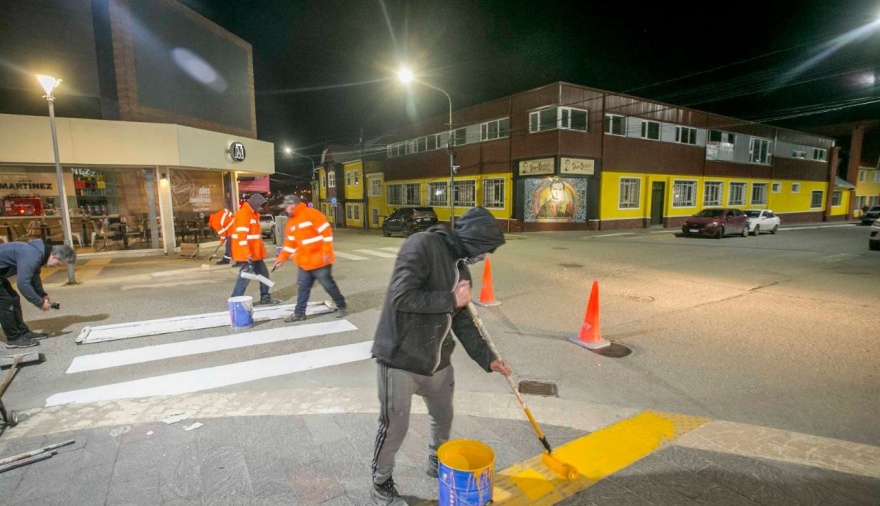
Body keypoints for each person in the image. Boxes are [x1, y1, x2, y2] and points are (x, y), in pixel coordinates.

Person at [369, 206, 511, 505]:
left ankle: (438, 462)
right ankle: (381, 483)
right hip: (400, 358)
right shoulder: (421, 244)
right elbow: (400, 295)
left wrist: (488, 358)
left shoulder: (461, 267)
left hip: (437, 359)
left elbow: (461, 318)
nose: (483, 256)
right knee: (395, 426)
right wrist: (450, 298)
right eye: (483, 249)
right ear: (473, 238)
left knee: (443, 415)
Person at [273, 195, 347, 322]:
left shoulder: (311, 214)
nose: (285, 209)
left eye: (286, 207)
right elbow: (290, 243)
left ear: (293, 205)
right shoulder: (291, 222)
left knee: (328, 285)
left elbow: (326, 233)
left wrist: (326, 251)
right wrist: (281, 259)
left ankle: (341, 305)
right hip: (304, 262)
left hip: (320, 260)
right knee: (303, 287)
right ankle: (299, 313)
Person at [0, 240, 76, 348]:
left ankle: (23, 332)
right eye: (58, 263)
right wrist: (40, 303)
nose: (55, 266)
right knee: (6, 302)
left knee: (14, 298)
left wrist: (42, 294)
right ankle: (14, 338)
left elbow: (34, 275)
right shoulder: (33, 255)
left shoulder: (39, 253)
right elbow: (23, 284)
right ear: (55, 256)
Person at [229, 193, 278, 305]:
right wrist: (247, 254)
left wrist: (261, 251)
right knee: (244, 278)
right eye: (261, 206)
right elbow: (241, 238)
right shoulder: (244, 215)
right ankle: (235, 300)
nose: (262, 208)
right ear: (255, 204)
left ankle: (265, 297)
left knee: (263, 275)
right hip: (248, 255)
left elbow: (255, 238)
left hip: (255, 254)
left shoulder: (253, 215)